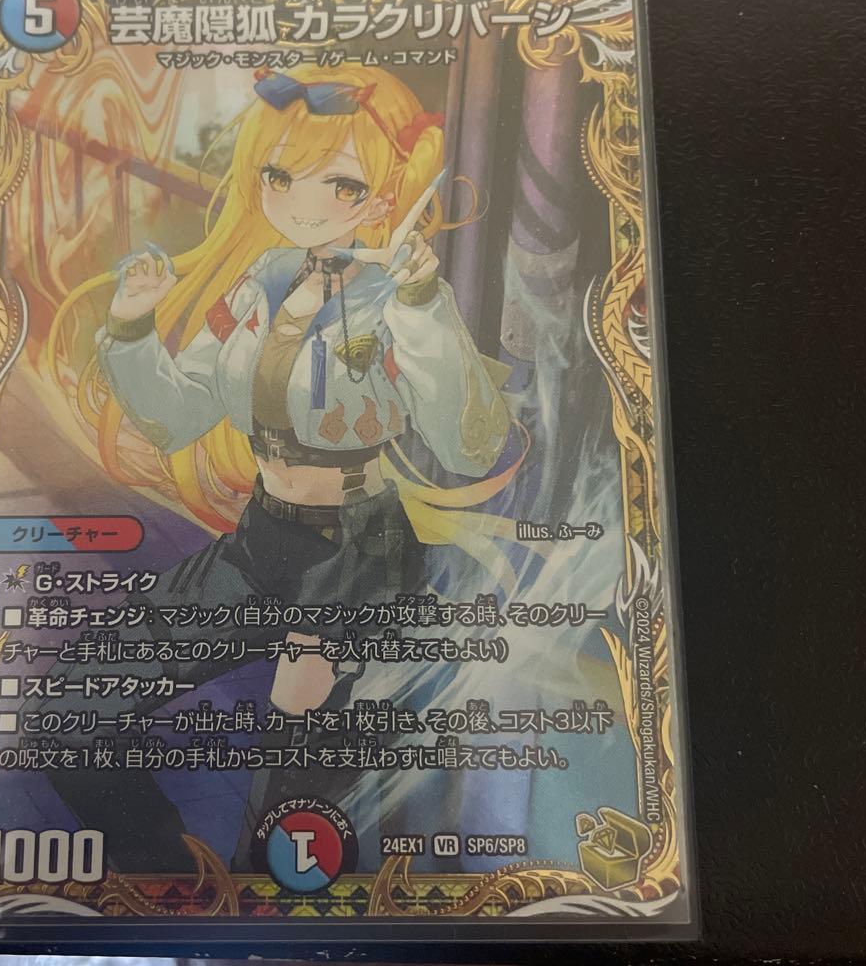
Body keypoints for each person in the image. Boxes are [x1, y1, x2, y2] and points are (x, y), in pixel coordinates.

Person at [39, 64, 512, 871]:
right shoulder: (262, 282)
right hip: (263, 537)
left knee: (293, 789)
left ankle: (263, 904)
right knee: (72, 706)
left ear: (385, 197)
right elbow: (179, 414)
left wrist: (423, 309)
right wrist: (132, 332)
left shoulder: (401, 300)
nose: (299, 201)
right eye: (280, 174)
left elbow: (471, 444)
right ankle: (168, 873)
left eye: (340, 183)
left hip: (359, 554)